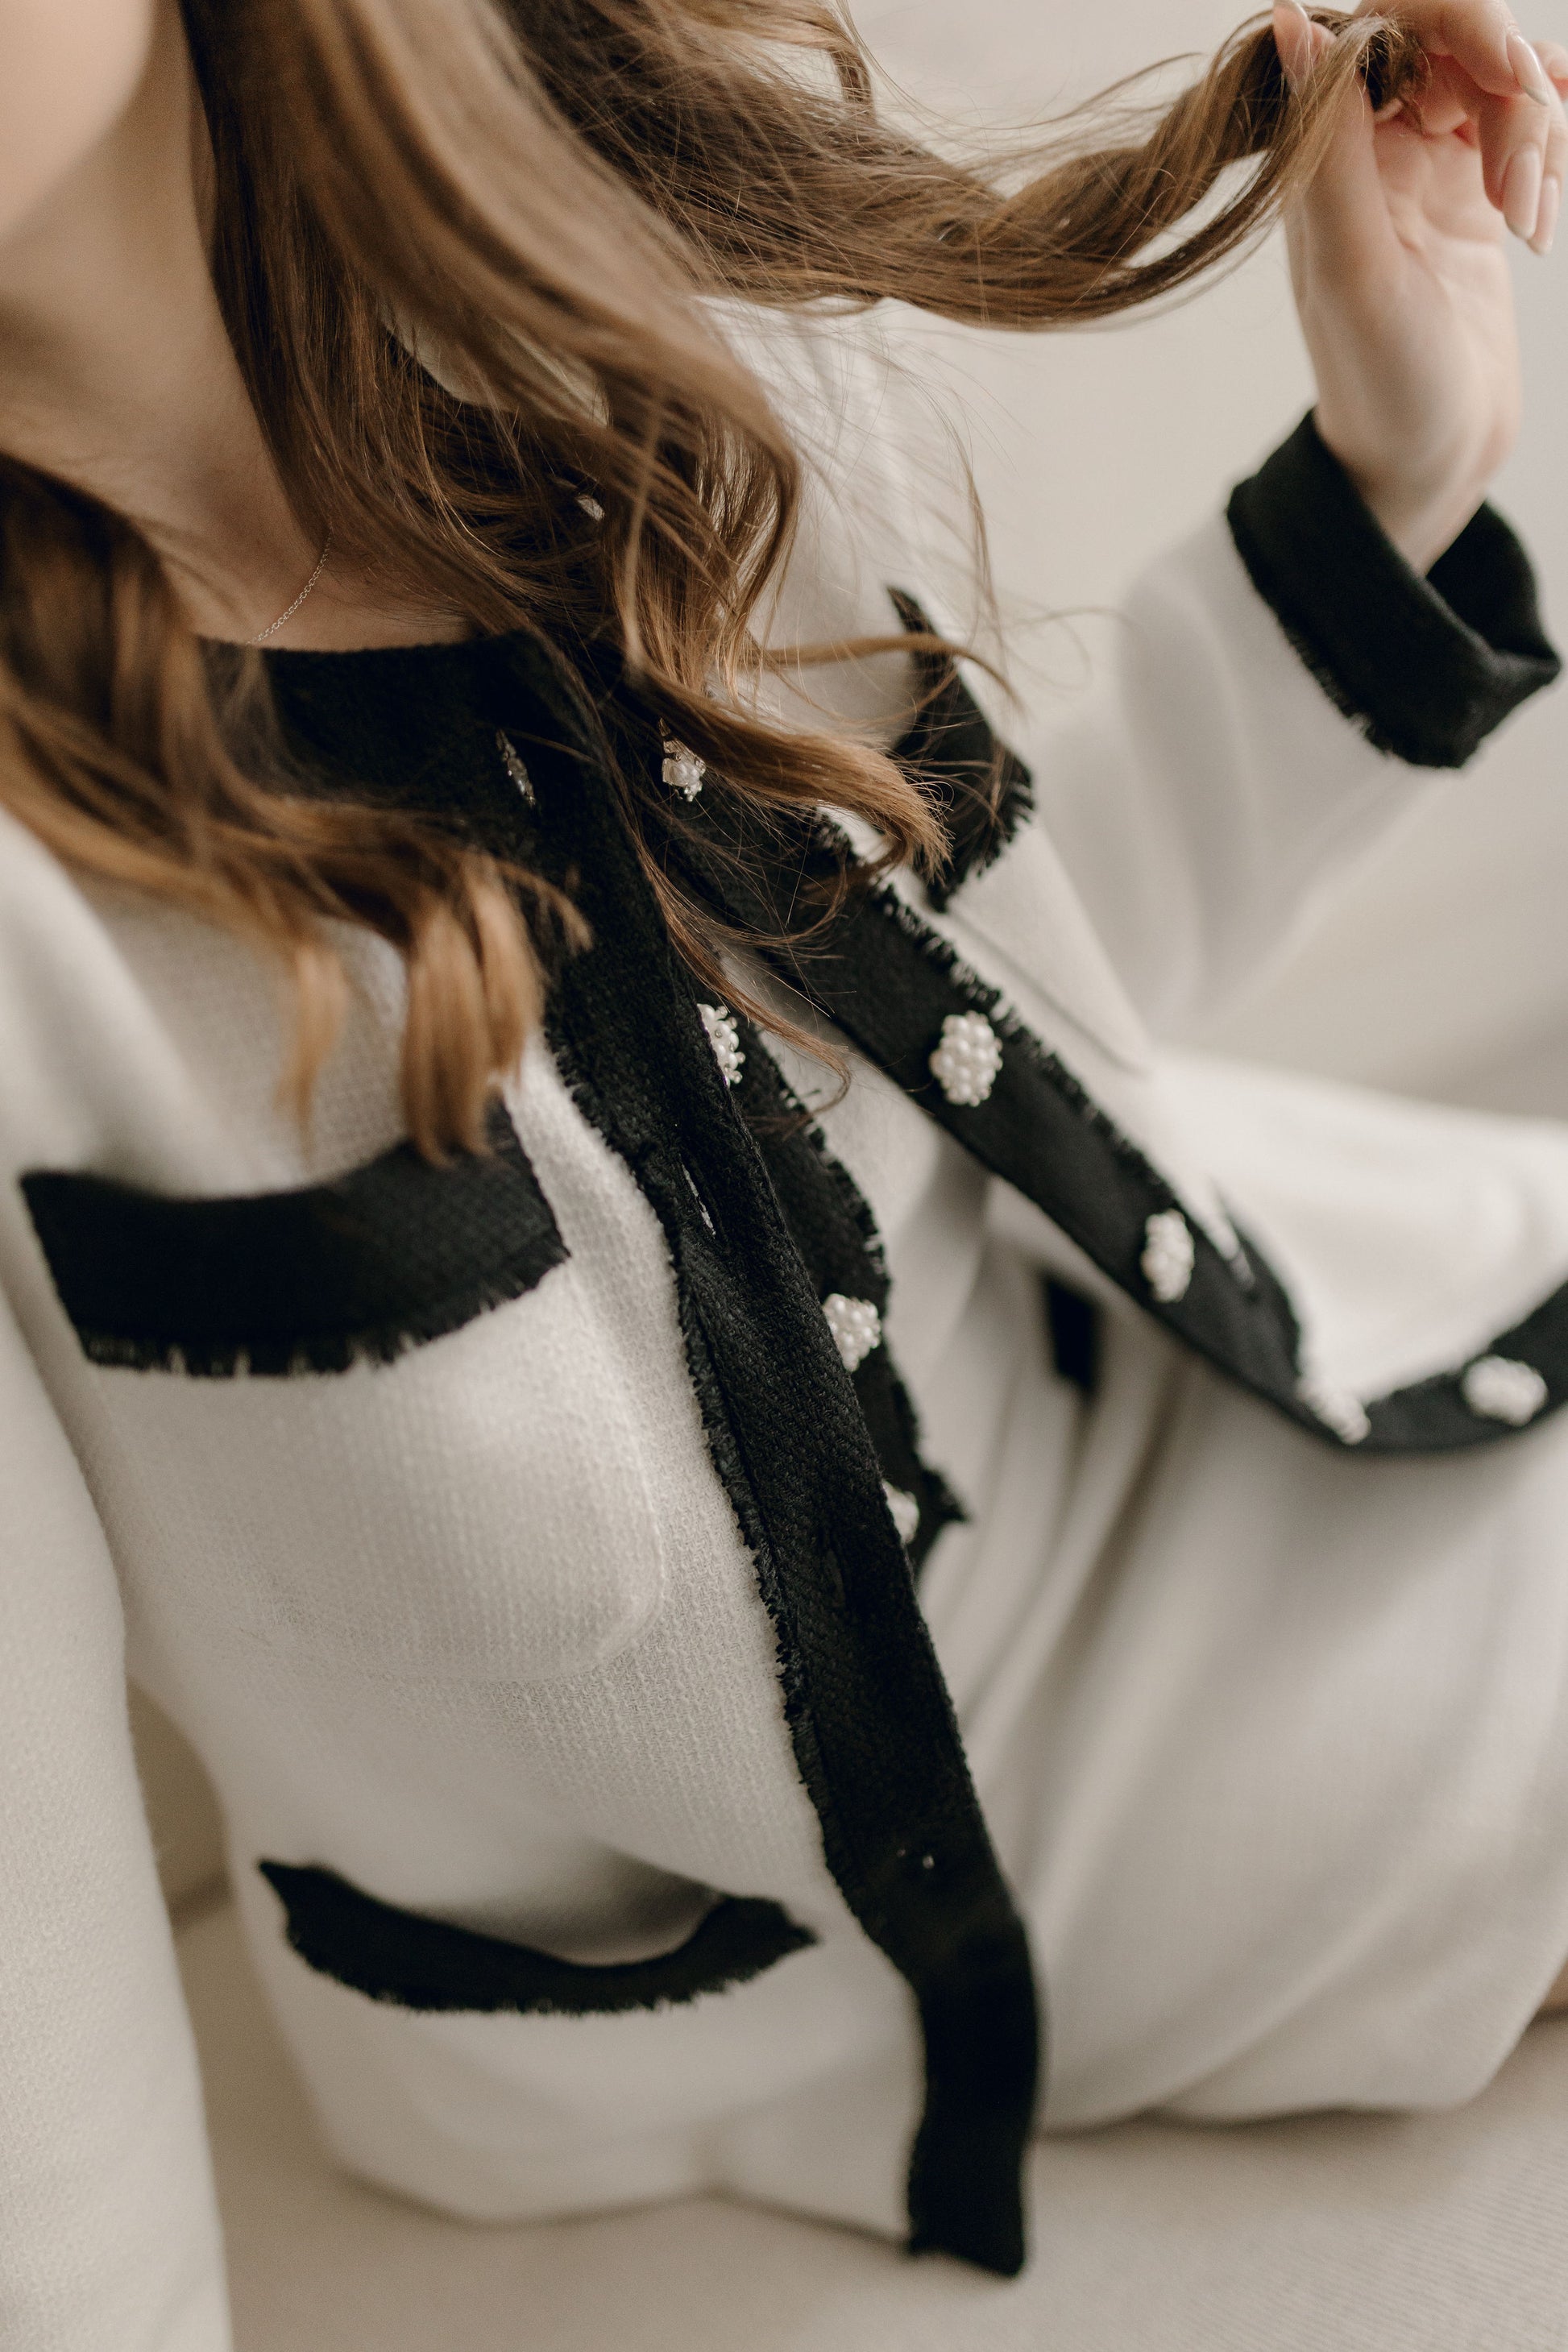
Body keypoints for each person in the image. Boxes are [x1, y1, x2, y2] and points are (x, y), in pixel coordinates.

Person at [3, 0, 1568, 2340]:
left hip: (1235, 1366)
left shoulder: (644, 328)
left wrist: (1391, 481)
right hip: (965, 1893)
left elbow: (1014, 994)